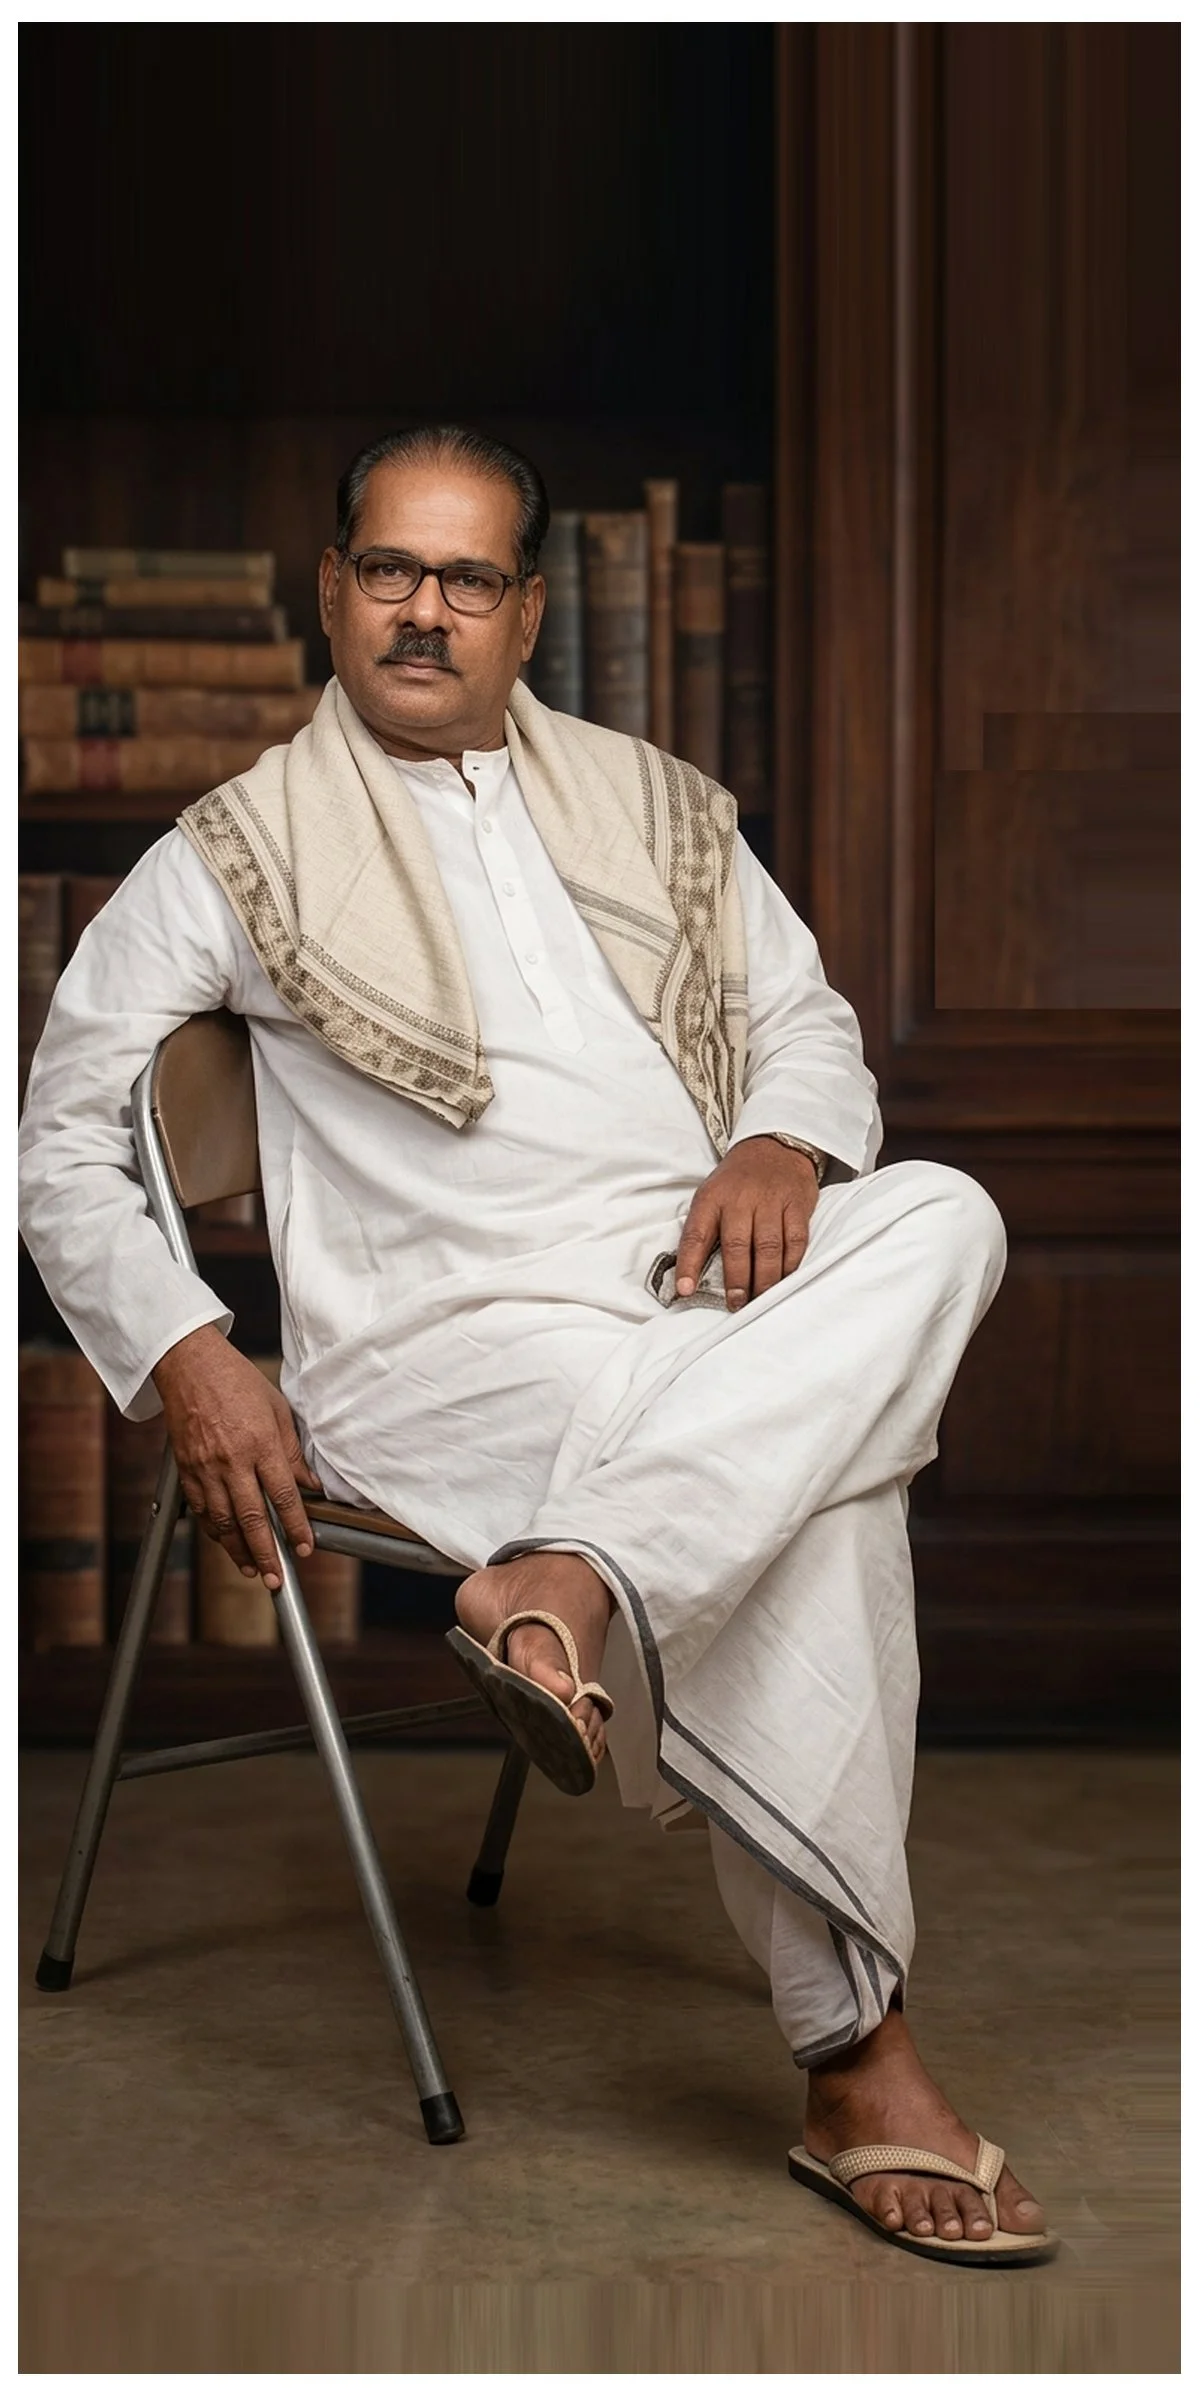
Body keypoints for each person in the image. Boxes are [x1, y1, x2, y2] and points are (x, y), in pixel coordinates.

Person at [19, 426, 1055, 2266]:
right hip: (447, 1343)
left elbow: (806, 1020)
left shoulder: (655, 803)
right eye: (390, 571)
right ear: (332, 591)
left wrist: (778, 1140)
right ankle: (857, 2058)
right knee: (815, 1493)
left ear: (527, 611)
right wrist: (188, 1349)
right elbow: (57, 1140)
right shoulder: (228, 852)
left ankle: (574, 1575)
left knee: (946, 1212)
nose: (424, 611)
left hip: (705, 1295)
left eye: (468, 578)